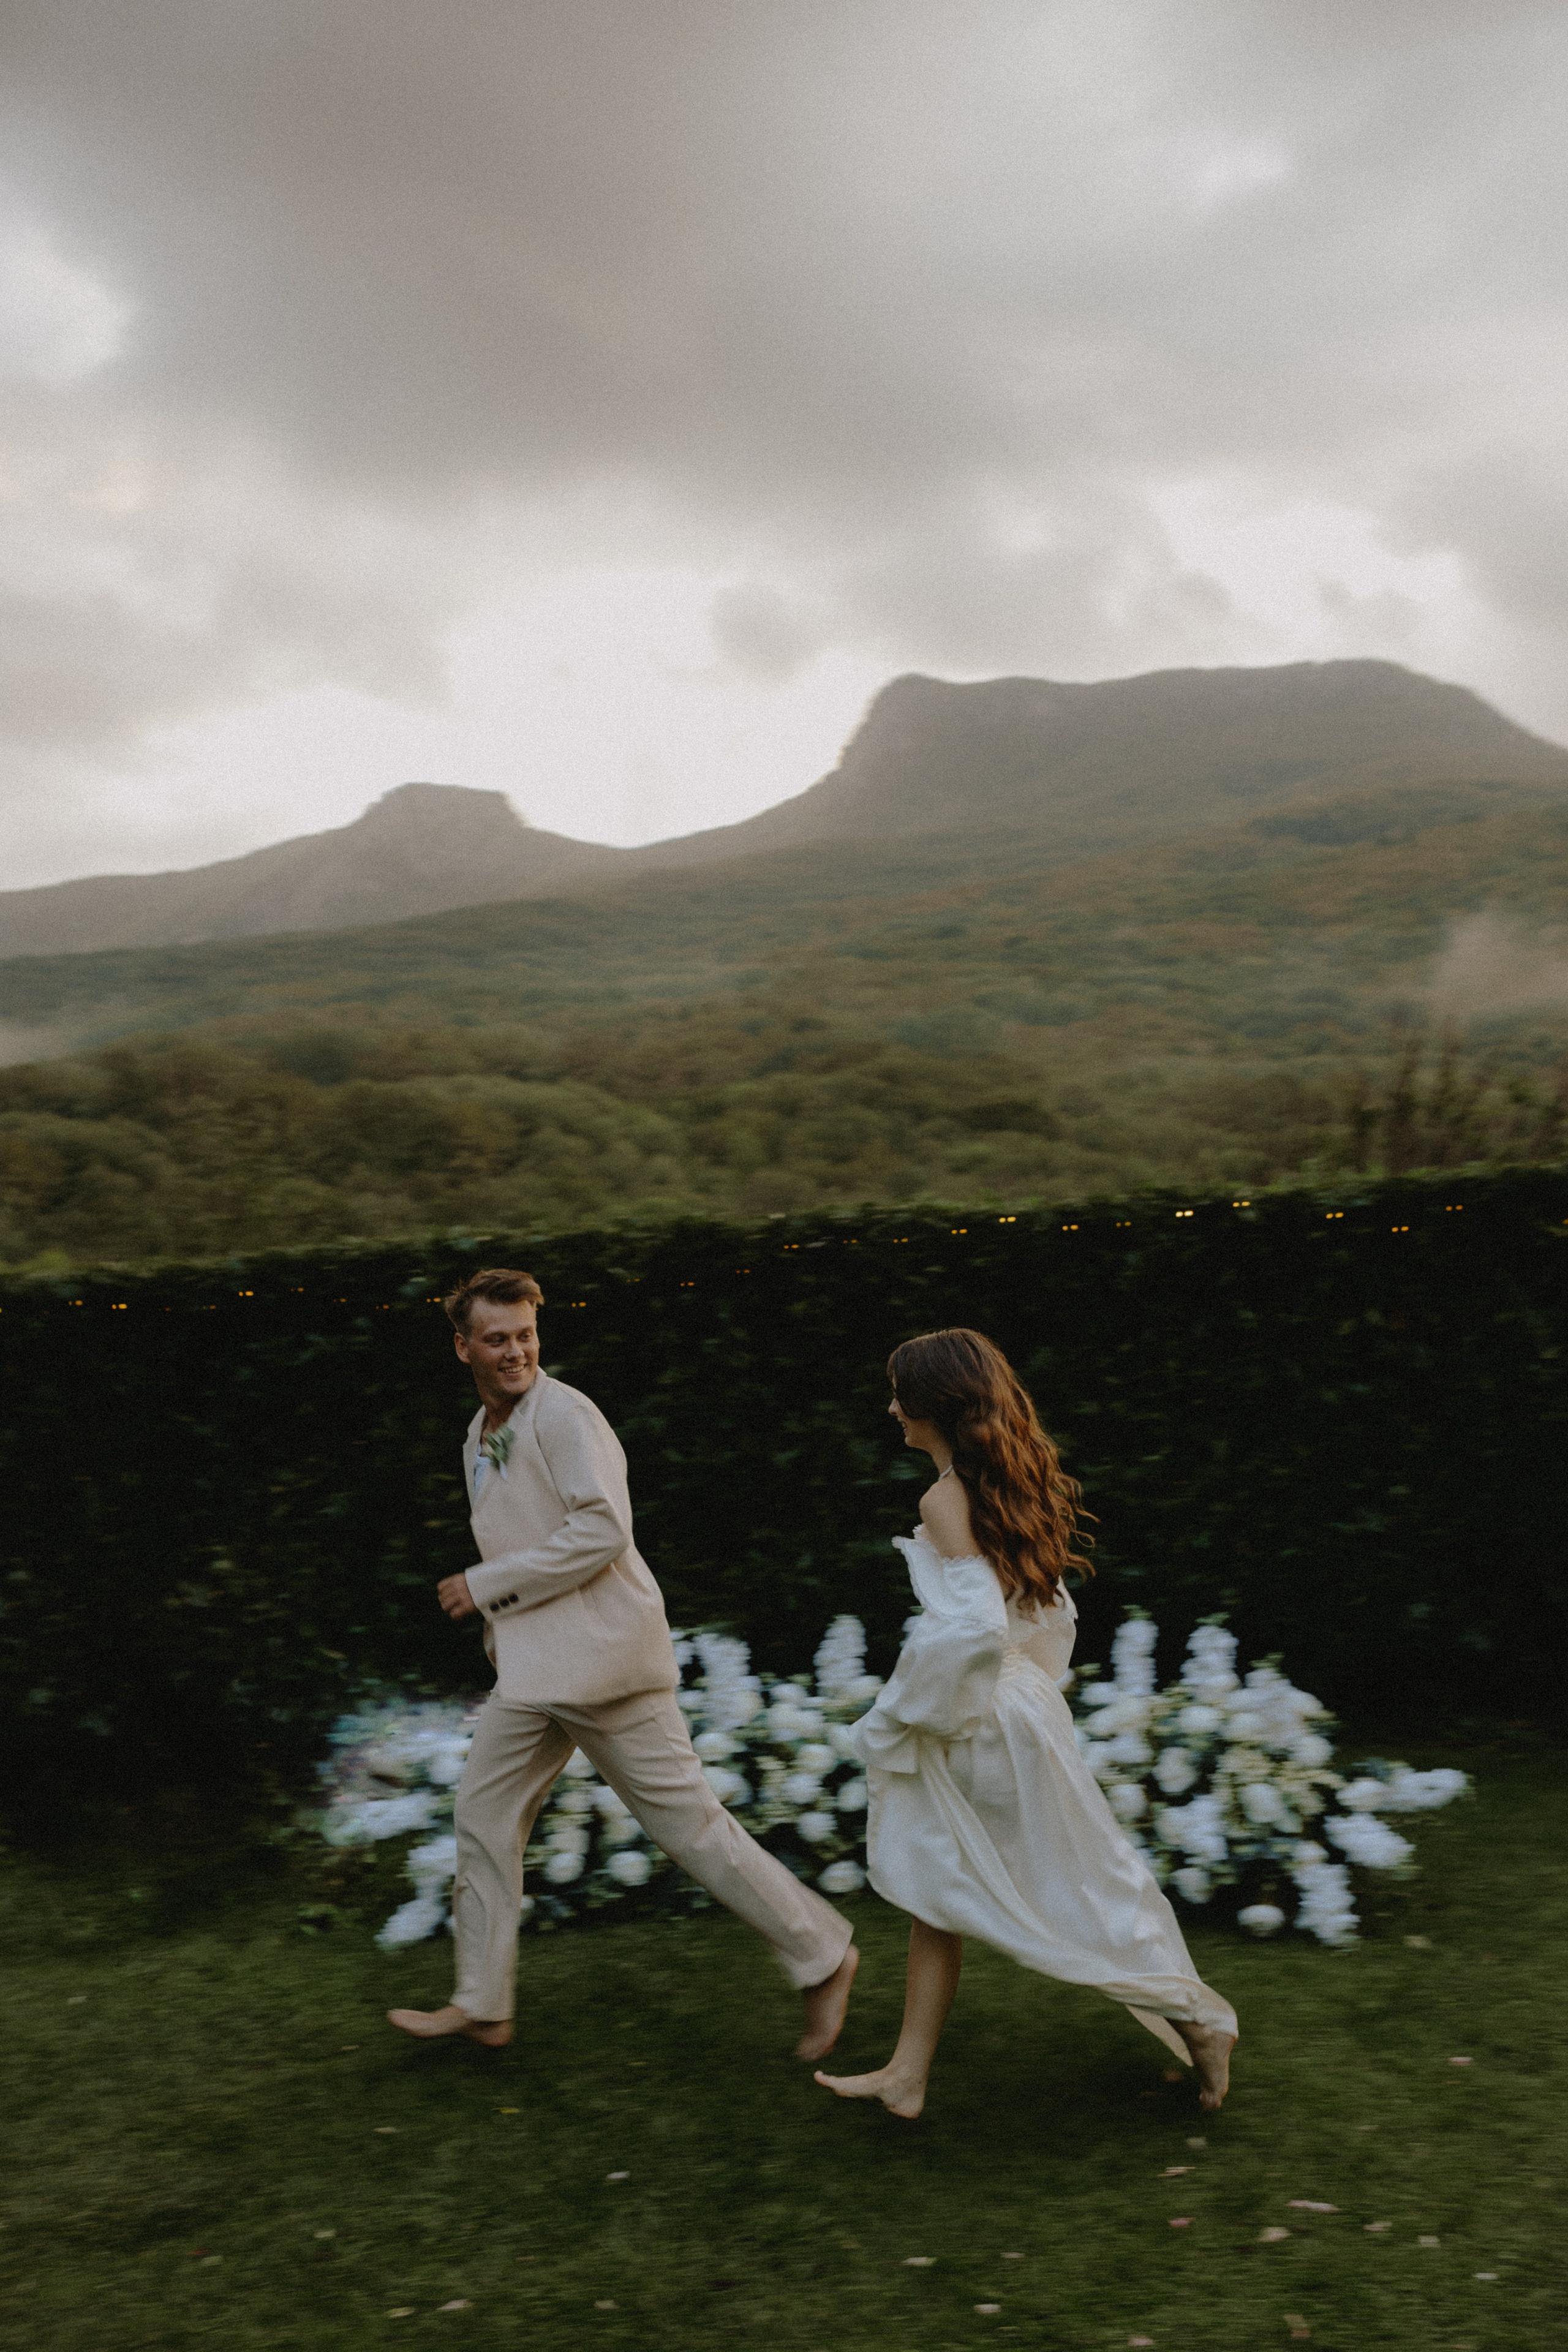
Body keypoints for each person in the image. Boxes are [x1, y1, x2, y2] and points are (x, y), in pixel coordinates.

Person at [387, 1267, 858, 2055]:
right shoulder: (477, 1435)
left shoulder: (567, 1417)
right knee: (483, 1815)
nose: (515, 1352)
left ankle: (824, 1956)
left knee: (692, 1830)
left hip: (605, 1666)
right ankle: (483, 2005)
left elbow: (602, 1530)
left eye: (526, 1335)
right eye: (496, 1338)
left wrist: (485, 1584)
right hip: (535, 1677)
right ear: (461, 1346)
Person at [815, 1327, 1237, 2119]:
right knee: (963, 1888)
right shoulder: (1000, 1483)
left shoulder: (945, 1498)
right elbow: (1042, 1614)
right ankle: (908, 2075)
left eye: (899, 1393)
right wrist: (1032, 1689)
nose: (890, 1408)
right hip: (1013, 1704)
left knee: (1056, 1892)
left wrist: (909, 1706)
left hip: (977, 1717)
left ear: (935, 1406)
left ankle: (1198, 2017)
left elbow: (973, 1628)